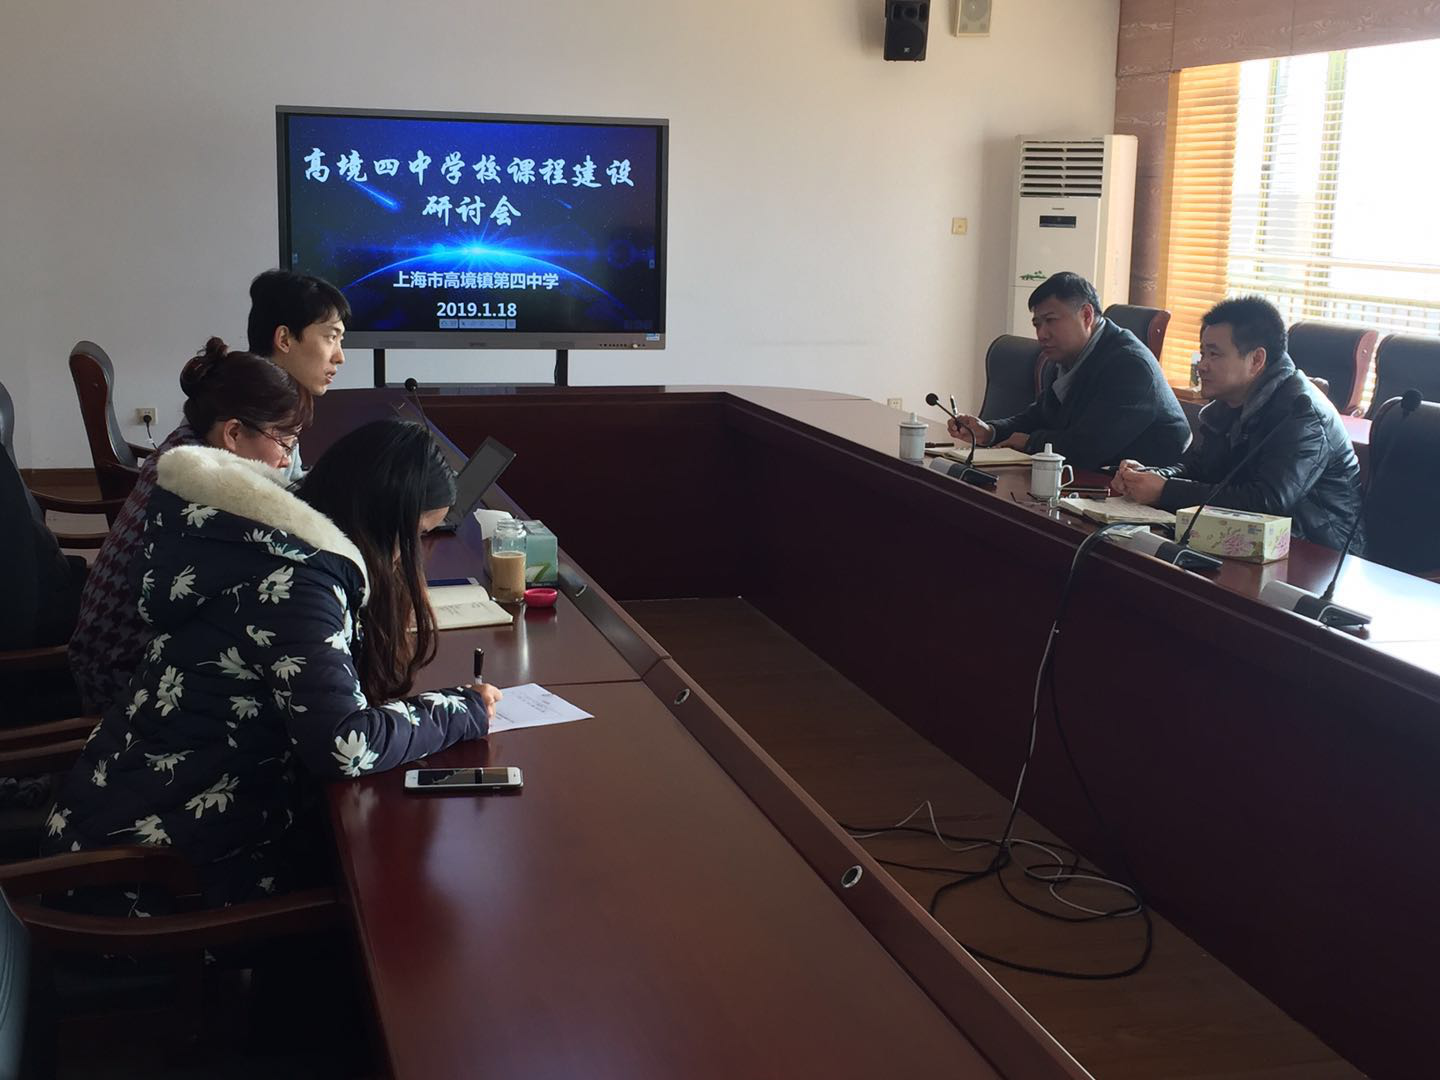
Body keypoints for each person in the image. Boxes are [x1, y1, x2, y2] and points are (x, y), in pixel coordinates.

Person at [46, 419, 501, 906]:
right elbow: (343, 745)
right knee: (384, 896)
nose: (410, 556)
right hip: (149, 876)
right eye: (417, 535)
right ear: (379, 517)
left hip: (120, 818)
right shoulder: (298, 584)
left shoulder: (267, 542)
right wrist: (462, 710)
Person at [68, 339, 311, 712]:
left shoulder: (185, 449)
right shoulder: (204, 487)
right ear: (233, 433)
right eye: (285, 442)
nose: (285, 459)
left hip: (105, 650)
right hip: (124, 674)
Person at [1110, 296, 1363, 552]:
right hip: (1246, 541)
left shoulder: (1302, 412)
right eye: (1203, 353)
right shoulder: (1229, 401)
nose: (1202, 366)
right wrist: (1150, 477)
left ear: (1256, 360)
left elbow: (1267, 501)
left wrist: (1165, 491)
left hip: (1318, 553)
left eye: (1214, 354)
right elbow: (1198, 469)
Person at [949, 272, 1191, 470]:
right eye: (1037, 324)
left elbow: (1091, 446)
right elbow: (1040, 416)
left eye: (1051, 320)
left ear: (1086, 315)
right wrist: (991, 431)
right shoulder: (1070, 356)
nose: (1042, 334)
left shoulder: (1130, 365)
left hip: (1142, 490)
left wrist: (1031, 443)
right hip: (1095, 477)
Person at [246, 268, 348, 480]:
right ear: (284, 339)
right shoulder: (241, 407)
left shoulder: (283, 403)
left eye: (340, 341)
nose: (340, 357)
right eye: (331, 337)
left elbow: (292, 486)